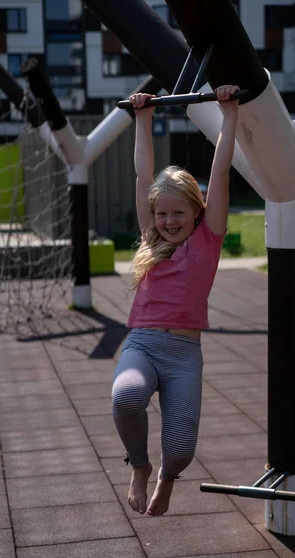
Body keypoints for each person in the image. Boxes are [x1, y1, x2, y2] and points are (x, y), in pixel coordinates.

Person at [112, 84, 240, 516]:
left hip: (185, 353)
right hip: (143, 344)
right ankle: (141, 466)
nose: (168, 221)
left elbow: (221, 171)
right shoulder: (151, 236)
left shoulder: (209, 237)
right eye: (161, 213)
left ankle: (167, 479)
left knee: (182, 449)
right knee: (126, 398)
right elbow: (142, 176)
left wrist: (229, 115)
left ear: (197, 211)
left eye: (178, 213)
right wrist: (143, 119)